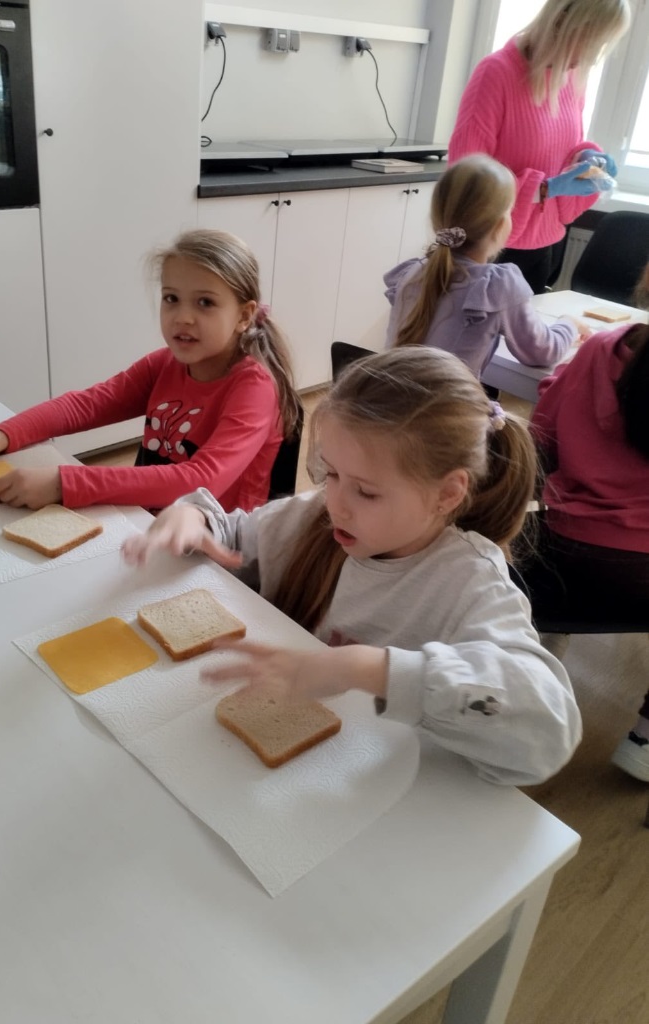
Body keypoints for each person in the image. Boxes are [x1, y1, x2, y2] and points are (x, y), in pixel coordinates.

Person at [122, 347, 582, 786]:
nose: (336, 504)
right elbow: (234, 534)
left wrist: (366, 668)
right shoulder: (312, 517)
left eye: (366, 491)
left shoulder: (470, 583)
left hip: (371, 790)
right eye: (331, 474)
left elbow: (550, 731)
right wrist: (193, 518)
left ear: (447, 493)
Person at [0, 229, 299, 513]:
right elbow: (87, 405)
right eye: (171, 298)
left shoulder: (254, 388)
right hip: (149, 525)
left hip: (218, 553)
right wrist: (1, 436)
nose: (183, 317)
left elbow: (199, 480)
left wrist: (65, 483)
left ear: (244, 315)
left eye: (205, 302)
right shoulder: (165, 364)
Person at [521, 321, 649, 781]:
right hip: (642, 578)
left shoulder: (601, 348)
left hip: (560, 554)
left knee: (545, 586)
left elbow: (540, 441)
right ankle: (645, 741)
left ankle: (537, 663)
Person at [449, 0, 631, 294]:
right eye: (590, 43)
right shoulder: (496, 73)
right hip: (492, 249)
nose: (592, 58)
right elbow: (465, 181)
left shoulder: (570, 79)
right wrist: (545, 189)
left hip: (546, 245)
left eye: (600, 46)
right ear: (562, 24)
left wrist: (584, 155)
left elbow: (556, 148)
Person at [383, 154, 588, 379]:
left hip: (389, 398)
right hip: (447, 402)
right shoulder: (496, 285)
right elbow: (542, 351)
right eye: (510, 211)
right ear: (500, 225)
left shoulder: (413, 272)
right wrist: (569, 324)